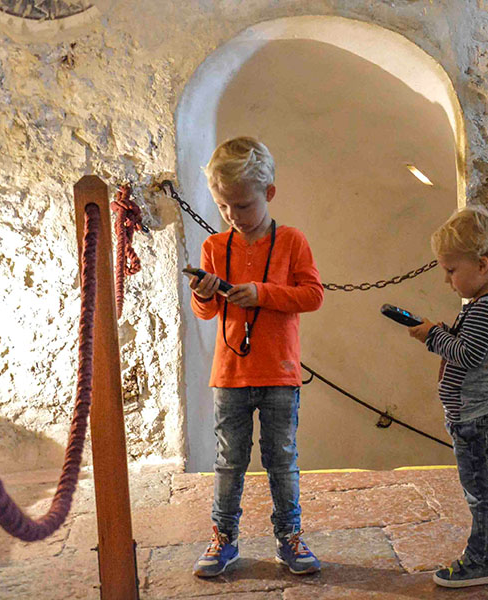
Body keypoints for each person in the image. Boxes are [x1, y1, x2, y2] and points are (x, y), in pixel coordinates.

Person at [188, 137, 324, 578]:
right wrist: (203, 293)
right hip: (230, 375)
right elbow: (206, 313)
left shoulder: (292, 241)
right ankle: (223, 537)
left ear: (269, 193)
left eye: (243, 205)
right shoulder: (215, 247)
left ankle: (290, 537)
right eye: (223, 206)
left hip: (280, 372)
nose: (233, 215)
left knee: (282, 460)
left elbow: (313, 295)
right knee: (229, 463)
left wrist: (263, 294)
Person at [407, 205, 488, 588]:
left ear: (483, 265)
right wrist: (445, 332)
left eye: (452, 270)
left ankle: (481, 562)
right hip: (480, 417)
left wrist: (433, 337)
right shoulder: (485, 306)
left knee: (482, 493)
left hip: (478, 420)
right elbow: (469, 345)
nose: (447, 280)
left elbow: (467, 355)